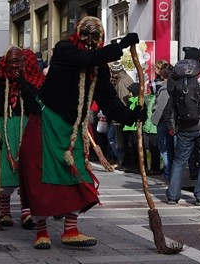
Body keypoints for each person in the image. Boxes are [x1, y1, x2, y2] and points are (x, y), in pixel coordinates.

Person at [19, 19, 143, 249]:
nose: (89, 41)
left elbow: (107, 99)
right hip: (46, 121)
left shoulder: (99, 68)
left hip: (72, 129)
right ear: (77, 34)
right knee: (39, 177)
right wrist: (120, 46)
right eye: (85, 35)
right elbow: (86, 58)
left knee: (78, 176)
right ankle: (41, 231)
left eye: (95, 37)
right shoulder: (65, 50)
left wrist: (131, 115)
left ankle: (71, 230)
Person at [0, 47, 44, 229]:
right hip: (4, 134)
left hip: (25, 133)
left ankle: (27, 212)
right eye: (13, 62)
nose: (17, 66)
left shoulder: (28, 86)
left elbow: (37, 107)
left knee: (28, 174)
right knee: (5, 174)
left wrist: (24, 84)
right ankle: (4, 212)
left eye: (20, 62)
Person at [165, 46, 200, 205]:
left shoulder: (173, 77)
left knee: (179, 160)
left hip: (183, 125)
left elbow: (171, 95)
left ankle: (173, 195)